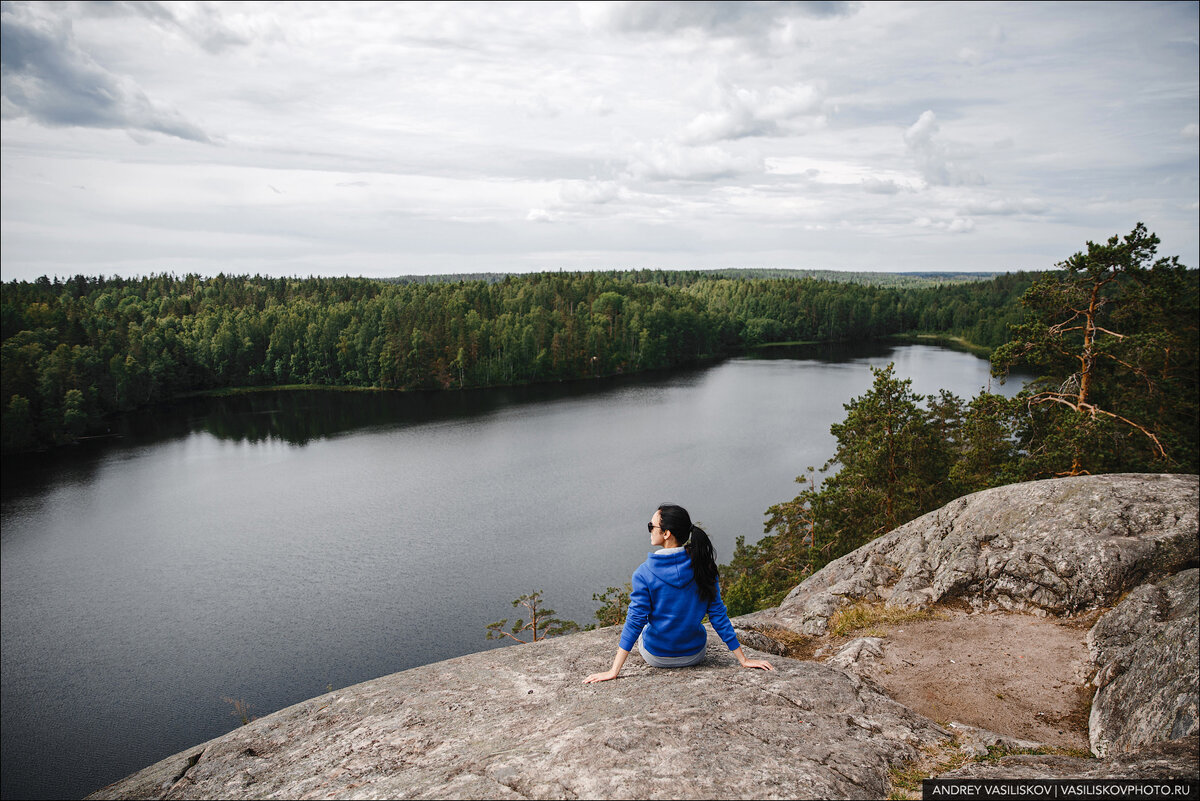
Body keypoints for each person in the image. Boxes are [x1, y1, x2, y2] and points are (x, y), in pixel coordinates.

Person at [583, 503, 774, 683]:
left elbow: (634, 622)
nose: (649, 530)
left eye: (652, 526)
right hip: (694, 654)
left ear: (666, 533)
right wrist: (743, 659)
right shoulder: (703, 565)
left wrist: (613, 671)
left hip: (657, 657)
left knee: (642, 628)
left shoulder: (644, 573)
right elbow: (718, 615)